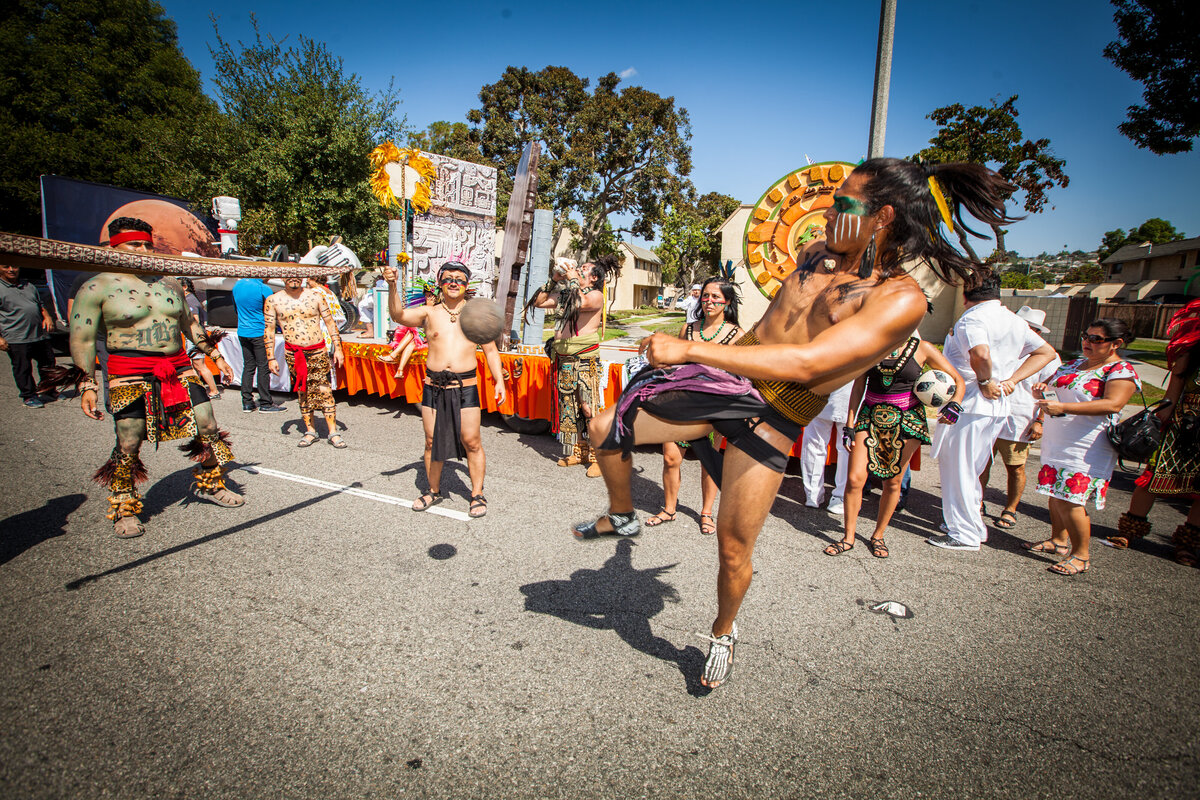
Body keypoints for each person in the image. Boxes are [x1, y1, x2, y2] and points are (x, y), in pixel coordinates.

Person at [576, 157, 1027, 689]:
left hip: (779, 412)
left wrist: (690, 348)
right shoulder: (817, 252)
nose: (828, 210)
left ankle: (723, 632)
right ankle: (624, 514)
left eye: (843, 203)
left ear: (882, 216)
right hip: (728, 382)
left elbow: (810, 363)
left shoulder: (899, 300)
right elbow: (779, 322)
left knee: (732, 547)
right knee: (605, 427)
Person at [66, 217, 242, 538]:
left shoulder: (170, 283)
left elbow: (190, 325)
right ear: (114, 247)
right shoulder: (97, 286)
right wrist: (87, 383)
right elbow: (82, 338)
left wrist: (216, 355)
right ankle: (124, 506)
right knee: (129, 440)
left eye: (148, 244)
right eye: (135, 244)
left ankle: (211, 483)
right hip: (129, 371)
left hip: (178, 366)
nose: (144, 250)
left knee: (207, 426)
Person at [929, 275, 1057, 551]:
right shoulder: (1013, 320)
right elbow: (1046, 352)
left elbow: (982, 354)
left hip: (971, 403)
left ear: (966, 294)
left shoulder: (973, 318)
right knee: (971, 469)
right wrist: (1011, 380)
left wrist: (987, 381)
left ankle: (963, 534)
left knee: (959, 469)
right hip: (995, 407)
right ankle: (971, 524)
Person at [383, 261, 506, 518]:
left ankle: (477, 494)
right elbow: (398, 315)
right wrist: (392, 284)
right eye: (448, 278)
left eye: (460, 279)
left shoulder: (476, 316)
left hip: (466, 387)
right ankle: (432, 490)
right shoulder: (428, 313)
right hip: (434, 387)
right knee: (431, 441)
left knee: (472, 441)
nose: (454, 282)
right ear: (440, 283)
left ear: (466, 285)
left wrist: (499, 381)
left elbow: (491, 351)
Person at [827, 335, 964, 558]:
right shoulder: (871, 343)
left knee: (892, 481)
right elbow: (859, 385)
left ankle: (878, 535)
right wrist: (849, 426)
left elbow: (958, 380)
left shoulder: (924, 349)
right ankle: (848, 537)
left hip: (907, 421)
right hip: (869, 415)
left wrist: (955, 405)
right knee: (854, 479)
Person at [1025, 319, 1140, 575]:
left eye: (1096, 339)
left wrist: (1064, 407)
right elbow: (1057, 392)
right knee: (1056, 496)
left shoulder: (1121, 370)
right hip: (1059, 440)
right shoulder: (1076, 363)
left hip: (1087, 446)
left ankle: (1081, 555)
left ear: (1116, 344)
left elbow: (1113, 404)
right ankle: (1058, 541)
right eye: (1086, 336)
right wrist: (1043, 392)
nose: (1087, 342)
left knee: (1072, 500)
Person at [645, 276, 745, 534]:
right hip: (681, 404)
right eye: (706, 296)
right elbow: (676, 365)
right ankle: (669, 509)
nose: (709, 301)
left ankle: (707, 512)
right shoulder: (688, 329)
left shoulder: (736, 334)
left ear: (727, 301)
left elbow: (740, 376)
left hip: (713, 407)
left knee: (707, 461)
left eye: (716, 297)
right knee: (670, 458)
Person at [1111, 299, 1200, 561]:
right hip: (1184, 425)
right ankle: (1130, 530)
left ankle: (1187, 543)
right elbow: (1172, 395)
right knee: (1154, 478)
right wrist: (1163, 420)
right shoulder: (1191, 355)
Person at [528, 256, 621, 478]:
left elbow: (581, 302)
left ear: (594, 277)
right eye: (578, 268)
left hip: (585, 359)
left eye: (584, 269)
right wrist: (554, 279)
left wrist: (570, 279)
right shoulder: (566, 294)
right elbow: (538, 302)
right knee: (570, 408)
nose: (578, 270)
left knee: (589, 408)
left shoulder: (596, 295)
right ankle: (581, 450)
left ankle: (600, 455)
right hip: (564, 359)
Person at [979, 307, 1061, 530]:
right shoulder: (1002, 347)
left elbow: (1052, 391)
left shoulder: (1048, 357)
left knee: (1015, 467)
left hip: (1020, 419)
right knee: (982, 462)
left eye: (1029, 328)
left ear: (1037, 332)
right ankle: (977, 502)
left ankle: (1011, 508)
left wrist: (1040, 420)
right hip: (991, 414)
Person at [264, 276, 346, 447]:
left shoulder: (315, 296)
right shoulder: (274, 300)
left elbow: (330, 323)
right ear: (283, 278)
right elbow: (269, 329)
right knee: (303, 391)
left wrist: (338, 348)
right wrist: (270, 357)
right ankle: (310, 431)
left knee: (325, 390)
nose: (294, 279)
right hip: (294, 353)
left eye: (297, 275)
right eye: (289, 275)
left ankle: (333, 432)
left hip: (318, 350)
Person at [0, 262, 56, 408]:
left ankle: (49, 390)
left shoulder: (28, 285)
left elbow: (40, 305)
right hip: (16, 336)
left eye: (14, 266)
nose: (11, 270)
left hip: (39, 334)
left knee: (48, 364)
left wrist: (48, 317)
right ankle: (29, 395)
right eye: (6, 266)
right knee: (23, 368)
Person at [232, 275, 284, 413]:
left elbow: (235, 309)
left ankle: (247, 402)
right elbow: (272, 311)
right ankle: (265, 403)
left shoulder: (237, 286)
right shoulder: (263, 288)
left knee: (248, 366)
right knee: (263, 367)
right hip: (259, 331)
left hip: (243, 331)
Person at [801, 382, 853, 516]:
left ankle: (814, 494)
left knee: (815, 444)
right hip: (846, 393)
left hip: (823, 389)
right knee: (845, 447)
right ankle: (840, 496)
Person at [181, 279, 222, 399]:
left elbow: (195, 321)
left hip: (195, 337)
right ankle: (197, 390)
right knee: (195, 365)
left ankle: (214, 391)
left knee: (200, 365)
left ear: (184, 287)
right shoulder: (191, 299)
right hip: (196, 337)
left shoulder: (190, 300)